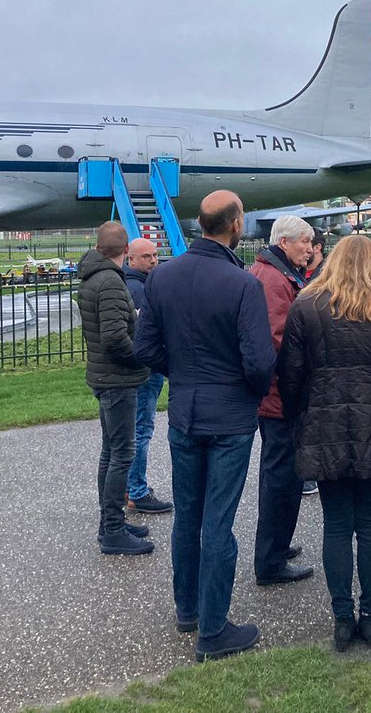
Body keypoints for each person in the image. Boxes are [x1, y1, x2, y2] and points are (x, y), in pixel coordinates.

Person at [134, 190, 277, 663]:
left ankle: (189, 608)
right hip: (230, 416)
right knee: (218, 523)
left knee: (189, 517)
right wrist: (246, 391)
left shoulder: (163, 276)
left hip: (187, 410)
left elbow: (146, 348)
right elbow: (259, 362)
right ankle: (213, 630)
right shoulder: (241, 284)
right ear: (235, 225)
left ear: (199, 224)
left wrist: (185, 375)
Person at [279, 235, 371, 651]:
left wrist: (298, 417)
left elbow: (290, 372)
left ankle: (343, 617)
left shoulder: (307, 304)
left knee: (338, 525)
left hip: (324, 421)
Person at [78, 222, 154, 556]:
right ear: (125, 251)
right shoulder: (109, 280)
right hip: (117, 379)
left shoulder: (94, 276)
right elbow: (113, 337)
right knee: (121, 453)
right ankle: (112, 529)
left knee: (111, 451)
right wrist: (141, 358)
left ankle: (111, 522)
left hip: (106, 377)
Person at [249, 214, 317, 586]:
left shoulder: (274, 273)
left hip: (276, 396)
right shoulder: (275, 279)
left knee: (280, 476)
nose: (310, 248)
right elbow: (280, 340)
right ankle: (270, 560)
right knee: (280, 478)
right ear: (285, 242)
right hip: (281, 397)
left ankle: (276, 544)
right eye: (305, 242)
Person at [123, 237, 173, 516]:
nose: (153, 260)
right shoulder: (137, 289)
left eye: (155, 255)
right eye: (146, 257)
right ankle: (137, 491)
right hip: (146, 371)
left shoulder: (138, 284)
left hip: (143, 370)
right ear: (132, 259)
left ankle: (131, 486)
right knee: (141, 430)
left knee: (136, 430)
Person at [301, 227, 327, 496]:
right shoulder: (300, 272)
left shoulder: (326, 275)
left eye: (309, 243)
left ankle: (315, 474)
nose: (307, 250)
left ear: (318, 247)